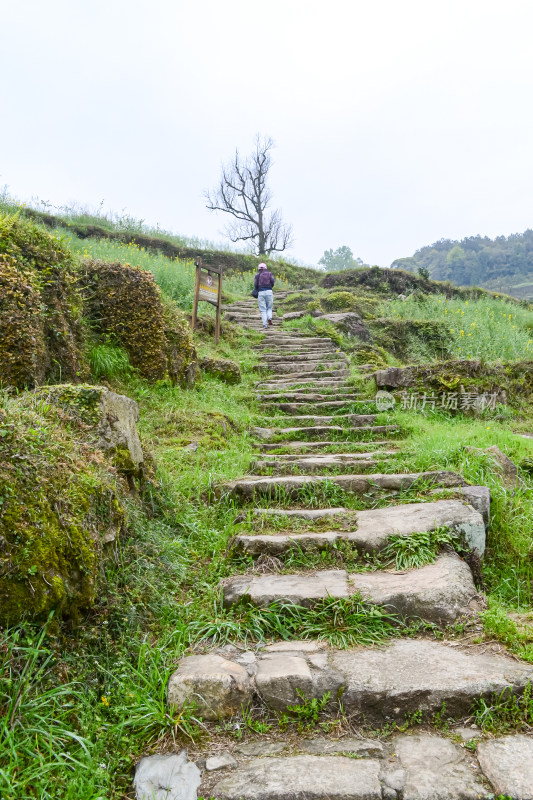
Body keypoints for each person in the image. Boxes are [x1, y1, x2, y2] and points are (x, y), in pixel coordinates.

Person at [254, 262, 275, 329]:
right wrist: (270, 287)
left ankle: (265, 324)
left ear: (259, 268)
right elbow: (272, 281)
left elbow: (255, 285)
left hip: (261, 292)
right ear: (266, 268)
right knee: (269, 307)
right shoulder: (269, 274)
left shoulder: (257, 275)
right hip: (269, 291)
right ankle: (269, 318)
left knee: (263, 309)